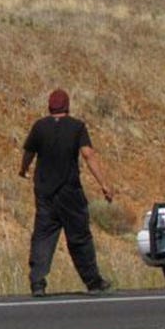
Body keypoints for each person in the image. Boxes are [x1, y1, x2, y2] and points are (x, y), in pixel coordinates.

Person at [19, 88, 114, 297]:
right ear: (67, 106)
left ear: (49, 106)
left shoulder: (39, 127)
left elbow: (29, 152)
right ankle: (93, 281)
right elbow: (88, 155)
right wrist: (104, 184)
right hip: (70, 191)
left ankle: (37, 282)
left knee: (43, 236)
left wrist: (23, 169)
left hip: (45, 192)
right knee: (79, 237)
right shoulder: (76, 127)